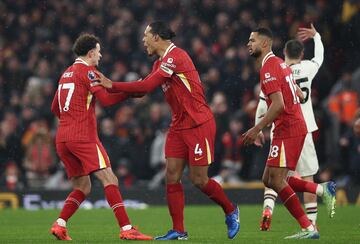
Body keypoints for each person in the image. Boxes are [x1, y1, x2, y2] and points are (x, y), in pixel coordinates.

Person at [94, 21, 240, 240]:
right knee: (171, 176)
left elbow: (144, 87)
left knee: (199, 179)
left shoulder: (176, 57)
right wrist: (108, 95)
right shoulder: (158, 65)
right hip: (178, 125)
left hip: (198, 123)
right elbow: (141, 91)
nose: (143, 41)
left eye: (146, 36)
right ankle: (179, 231)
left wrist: (112, 84)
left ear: (157, 37)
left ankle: (231, 210)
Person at [49, 33, 152, 241]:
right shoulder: (88, 72)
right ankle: (126, 228)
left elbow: (55, 108)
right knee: (109, 178)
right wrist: (130, 93)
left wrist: (70, 119)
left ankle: (59, 225)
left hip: (62, 138)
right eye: (98, 51)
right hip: (82, 136)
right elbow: (105, 100)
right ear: (90, 53)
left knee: (83, 187)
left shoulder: (66, 73)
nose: (101, 55)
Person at [243, 27, 335, 239]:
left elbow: (277, 105)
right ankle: (322, 191)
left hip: (289, 128)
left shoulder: (268, 68)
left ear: (265, 44)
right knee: (269, 178)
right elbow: (299, 95)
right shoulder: (279, 65)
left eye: (252, 40)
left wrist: (257, 128)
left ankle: (308, 227)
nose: (248, 44)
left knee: (276, 179)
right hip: (293, 126)